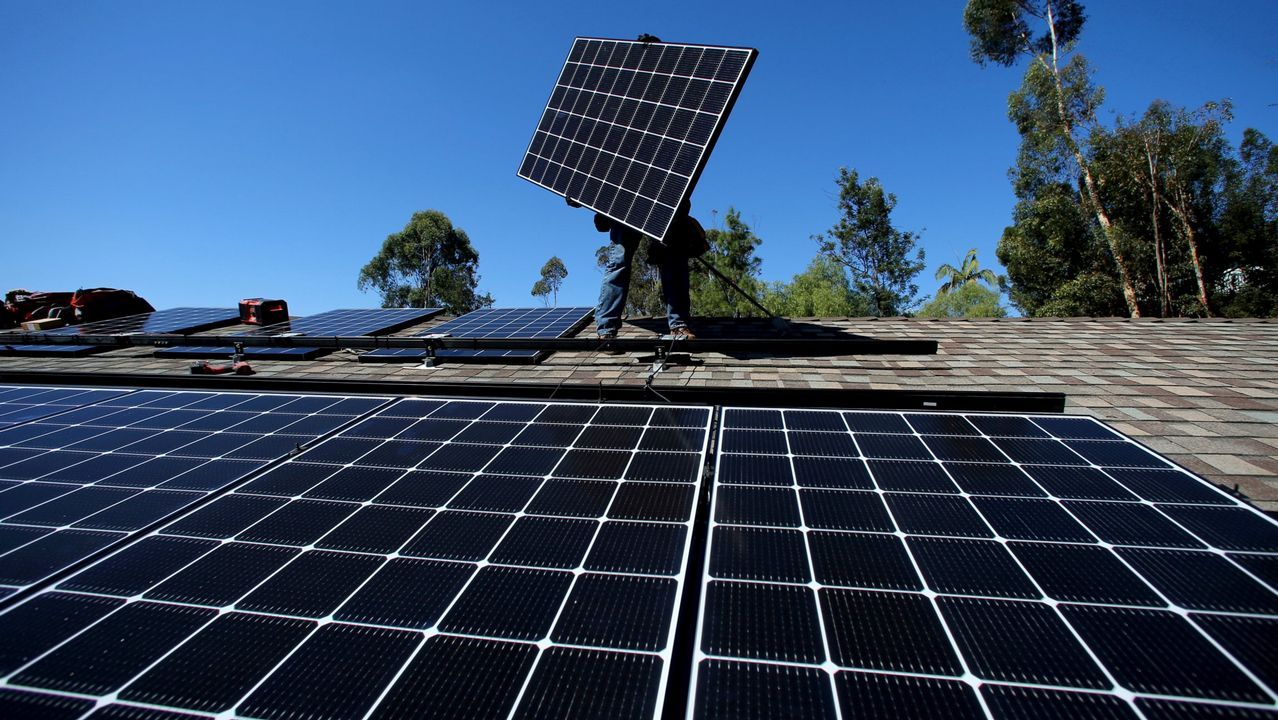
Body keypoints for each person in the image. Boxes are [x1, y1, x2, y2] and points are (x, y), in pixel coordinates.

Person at [593, 201, 703, 340]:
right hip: (624, 205)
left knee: (673, 259)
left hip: (664, 205)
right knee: (618, 263)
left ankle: (679, 326)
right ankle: (606, 329)